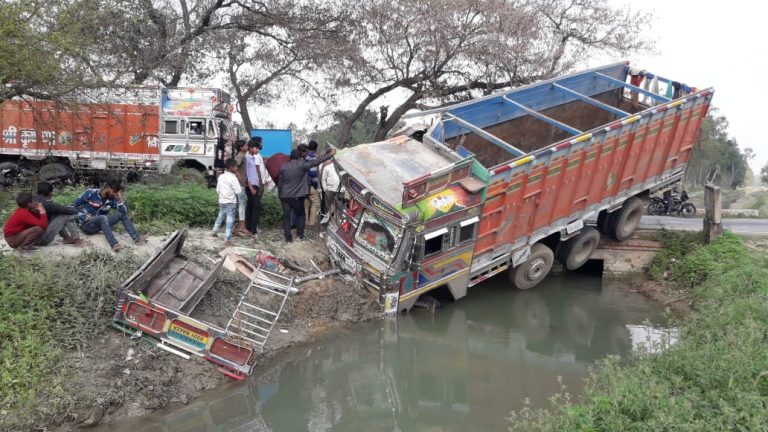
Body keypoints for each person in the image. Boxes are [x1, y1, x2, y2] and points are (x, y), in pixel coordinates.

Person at [278, 147, 336, 242]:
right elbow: (317, 161)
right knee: (301, 215)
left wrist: (280, 196)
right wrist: (330, 154)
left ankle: (288, 239)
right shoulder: (302, 165)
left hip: (285, 196)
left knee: (286, 217)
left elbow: (280, 183)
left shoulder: (283, 167)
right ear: (299, 157)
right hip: (297, 196)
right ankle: (299, 236)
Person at [73, 179, 148, 252]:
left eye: (117, 192)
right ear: (108, 188)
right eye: (114, 191)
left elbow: (124, 211)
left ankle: (137, 239)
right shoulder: (91, 193)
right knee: (102, 217)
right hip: (86, 225)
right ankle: (114, 244)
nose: (115, 194)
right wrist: (85, 216)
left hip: (100, 224)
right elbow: (73, 207)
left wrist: (120, 197)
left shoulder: (112, 199)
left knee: (121, 215)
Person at [35, 181, 85, 247]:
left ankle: (67, 238)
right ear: (50, 193)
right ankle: (77, 239)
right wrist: (79, 211)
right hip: (42, 240)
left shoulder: (36, 200)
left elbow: (58, 208)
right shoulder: (45, 204)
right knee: (67, 215)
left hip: (34, 238)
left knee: (58, 213)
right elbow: (63, 209)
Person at [211, 159, 241, 247]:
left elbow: (218, 190)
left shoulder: (221, 177)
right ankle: (227, 239)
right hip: (231, 201)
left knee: (221, 215)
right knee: (230, 219)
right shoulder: (233, 178)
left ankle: (214, 231)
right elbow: (238, 191)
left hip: (222, 200)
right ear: (232, 167)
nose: (236, 168)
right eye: (236, 166)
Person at [244, 137, 264, 236]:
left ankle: (250, 228)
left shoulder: (252, 157)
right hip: (251, 186)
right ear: (251, 148)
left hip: (254, 185)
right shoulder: (247, 158)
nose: (258, 150)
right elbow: (246, 174)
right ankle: (253, 230)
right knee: (256, 207)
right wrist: (251, 187)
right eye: (256, 148)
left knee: (252, 206)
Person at [233, 141, 251, 236]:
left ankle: (236, 227)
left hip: (240, 184)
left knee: (239, 204)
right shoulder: (241, 156)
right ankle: (242, 227)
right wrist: (240, 178)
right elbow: (234, 167)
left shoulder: (242, 155)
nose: (247, 146)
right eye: (245, 145)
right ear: (241, 147)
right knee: (242, 204)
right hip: (240, 184)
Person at [319, 159, 344, 225]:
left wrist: (343, 190)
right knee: (327, 206)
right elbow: (323, 179)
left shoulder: (342, 168)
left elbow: (344, 180)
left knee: (340, 205)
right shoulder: (327, 168)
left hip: (339, 190)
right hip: (329, 190)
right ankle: (327, 221)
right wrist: (325, 189)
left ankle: (342, 221)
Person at [304, 140, 321, 228]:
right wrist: (315, 184)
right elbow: (313, 173)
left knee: (306, 204)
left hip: (304, 185)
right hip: (311, 184)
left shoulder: (305, 157)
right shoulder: (314, 158)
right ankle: (311, 223)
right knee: (314, 203)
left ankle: (305, 222)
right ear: (316, 148)